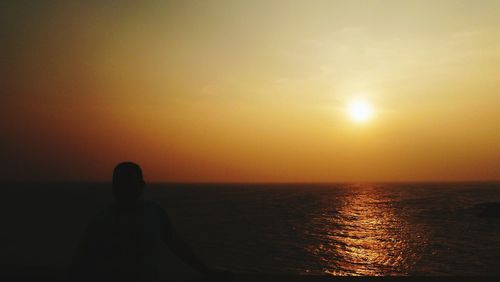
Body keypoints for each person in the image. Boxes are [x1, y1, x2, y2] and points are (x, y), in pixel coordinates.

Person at [71, 162, 229, 281]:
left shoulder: (153, 212)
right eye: (121, 184)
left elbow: (177, 245)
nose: (125, 189)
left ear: (141, 186)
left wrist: (206, 271)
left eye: (129, 184)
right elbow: (82, 262)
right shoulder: (101, 222)